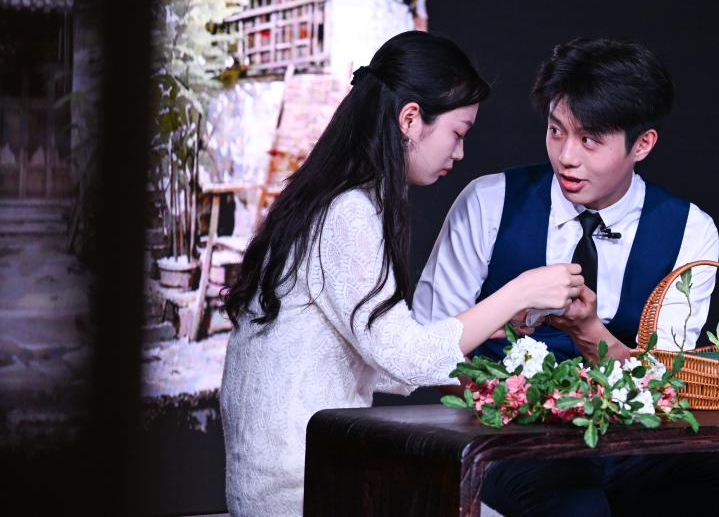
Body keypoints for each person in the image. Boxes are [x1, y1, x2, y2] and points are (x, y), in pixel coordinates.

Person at [413, 37, 719, 516]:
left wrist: (588, 331)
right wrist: (500, 403)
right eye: (556, 131)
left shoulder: (688, 230)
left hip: (634, 441)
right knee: (575, 506)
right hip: (507, 438)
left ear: (643, 144)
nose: (567, 156)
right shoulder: (489, 202)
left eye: (590, 140)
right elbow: (430, 343)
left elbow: (664, 383)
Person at [220, 31, 584, 517]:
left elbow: (388, 361)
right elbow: (407, 360)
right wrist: (519, 291)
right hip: (301, 492)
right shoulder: (349, 211)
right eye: (458, 133)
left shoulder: (331, 198)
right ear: (410, 119)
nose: (460, 153)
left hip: (292, 480)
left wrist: (487, 323)